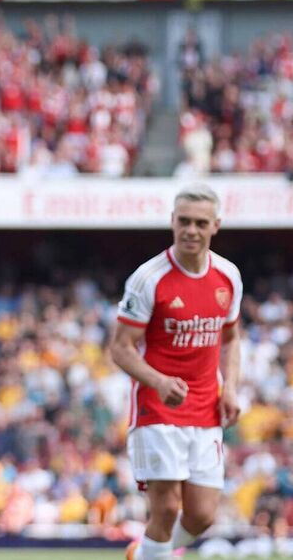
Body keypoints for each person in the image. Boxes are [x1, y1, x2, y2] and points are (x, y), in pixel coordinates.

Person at [110, 184, 243, 560]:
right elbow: (120, 348)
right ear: (172, 221)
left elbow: (231, 339)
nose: (191, 230)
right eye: (184, 221)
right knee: (166, 509)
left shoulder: (228, 276)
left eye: (200, 223)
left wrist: (231, 388)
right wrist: (158, 381)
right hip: (158, 407)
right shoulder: (148, 278)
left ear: (215, 225)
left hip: (206, 407)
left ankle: (146, 553)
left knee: (202, 516)